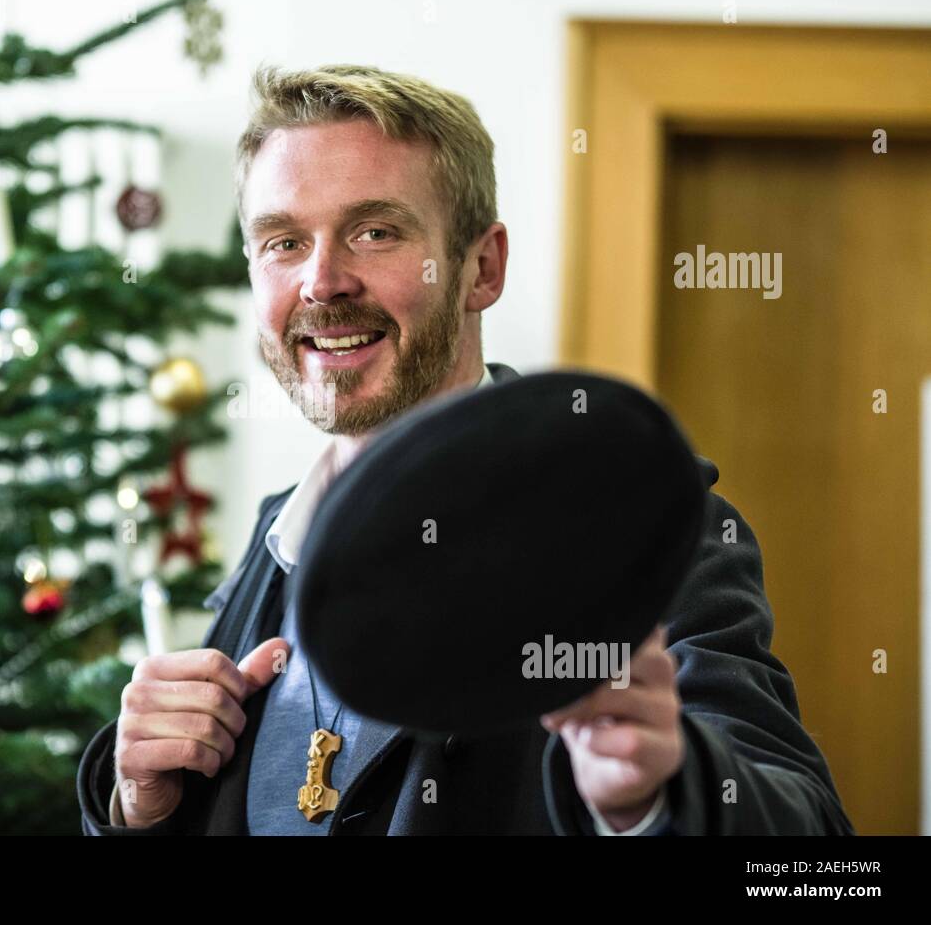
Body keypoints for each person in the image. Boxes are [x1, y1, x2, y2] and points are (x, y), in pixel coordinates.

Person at [75, 64, 854, 835]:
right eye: (283, 242)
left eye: (374, 231)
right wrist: (141, 810)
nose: (321, 282)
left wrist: (659, 795)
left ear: (482, 267)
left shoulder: (637, 527)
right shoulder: (274, 540)